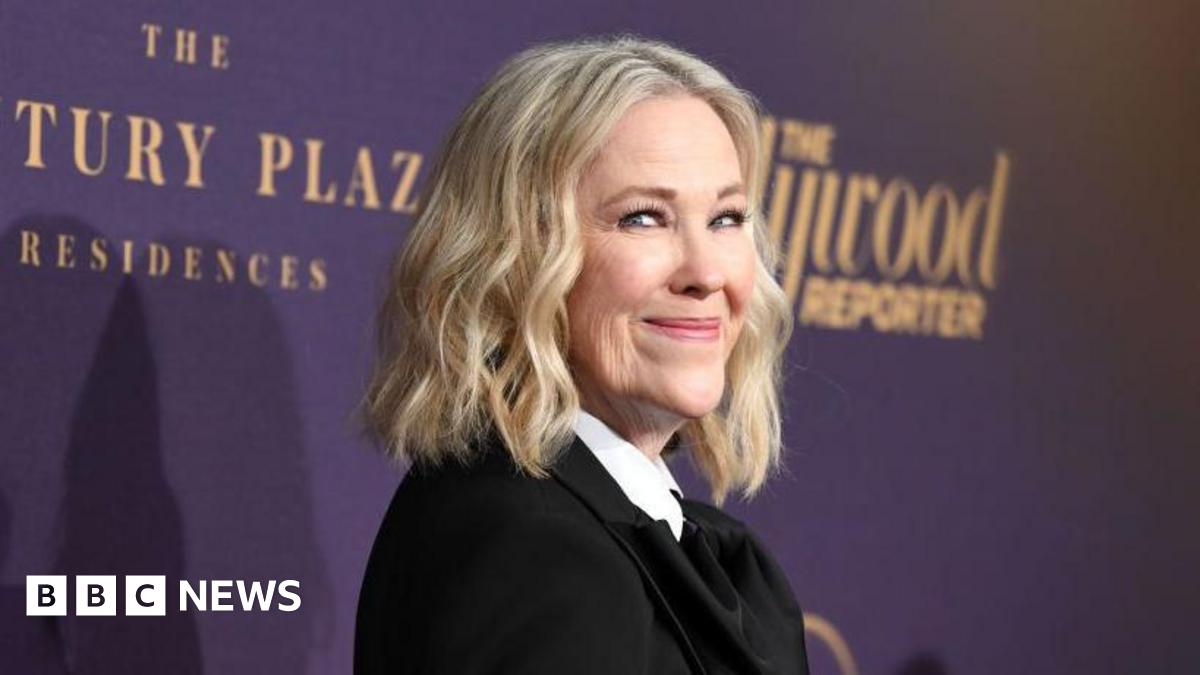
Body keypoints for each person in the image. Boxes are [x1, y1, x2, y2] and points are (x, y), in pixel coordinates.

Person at [354, 33, 810, 674]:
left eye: (727, 218)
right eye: (644, 218)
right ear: (515, 256)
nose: (706, 272)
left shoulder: (601, 522)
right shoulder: (533, 545)